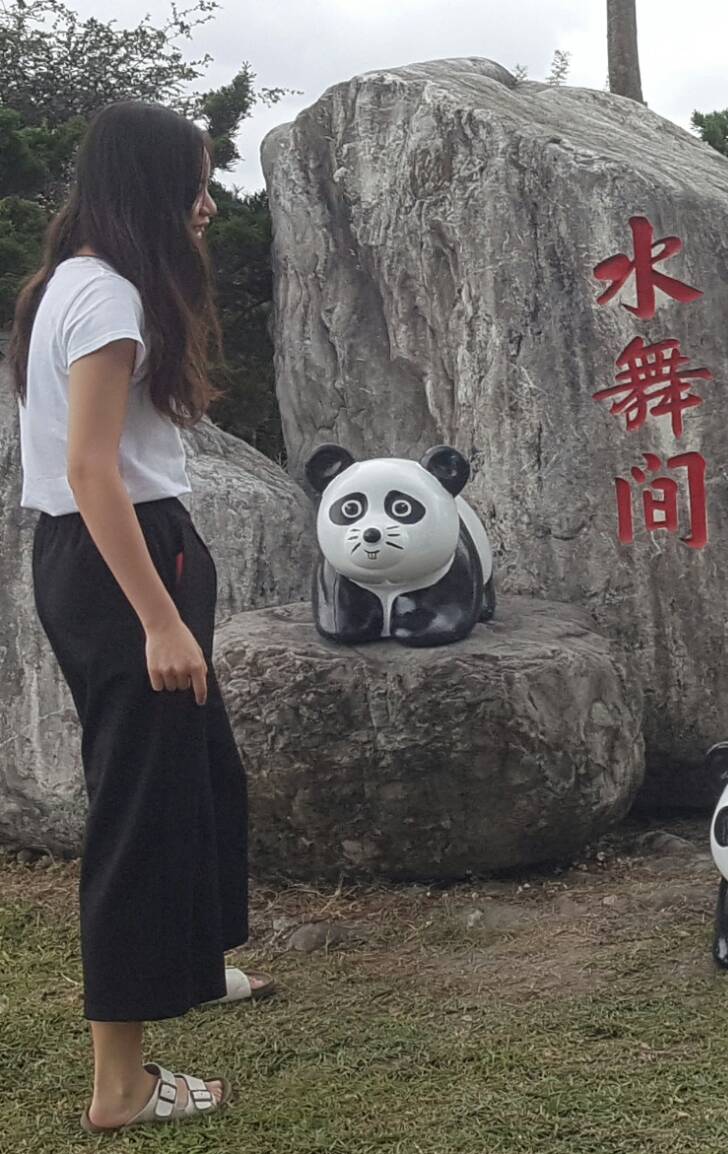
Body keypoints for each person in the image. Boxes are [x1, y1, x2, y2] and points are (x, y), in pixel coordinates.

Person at [8, 101, 274, 1134]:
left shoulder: (69, 282)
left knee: (199, 772)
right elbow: (91, 470)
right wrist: (160, 620)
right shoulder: (109, 297)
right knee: (143, 805)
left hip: (102, 556)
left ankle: (194, 961)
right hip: (122, 558)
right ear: (150, 189)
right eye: (194, 186)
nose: (207, 205)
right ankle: (120, 1082)